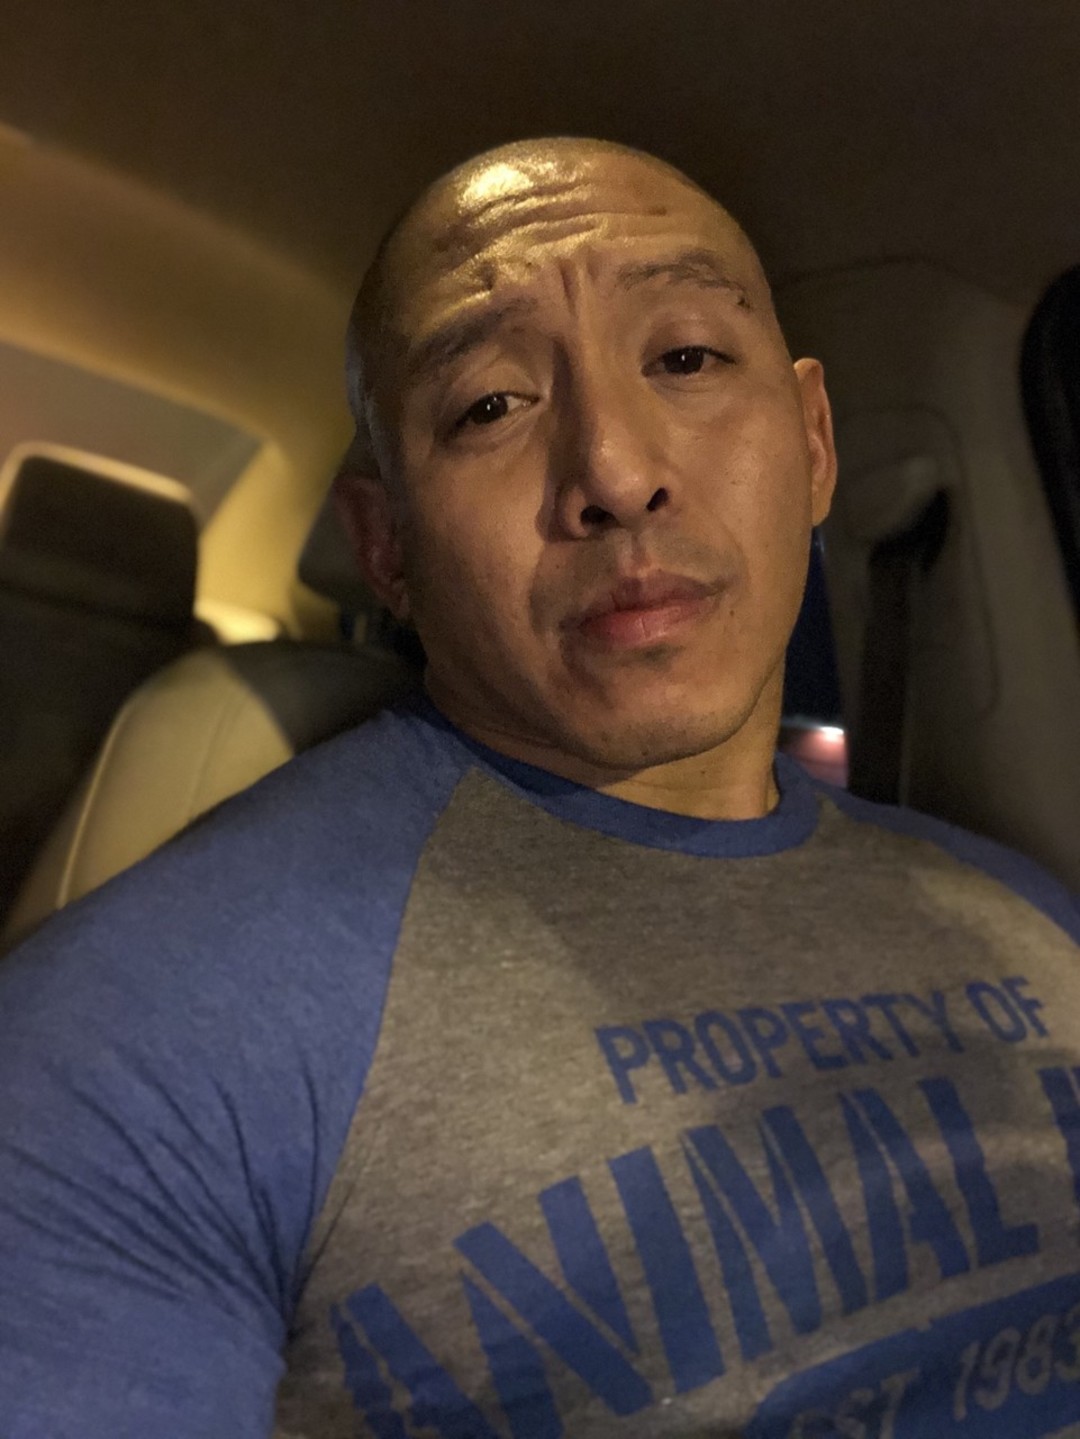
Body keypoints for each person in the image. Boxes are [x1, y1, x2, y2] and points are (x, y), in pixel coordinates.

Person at [0, 137, 1078, 1439]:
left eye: (688, 357)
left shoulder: (1028, 912)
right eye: (491, 406)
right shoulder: (137, 1044)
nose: (616, 474)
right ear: (386, 547)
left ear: (813, 443)